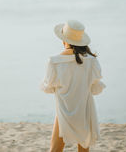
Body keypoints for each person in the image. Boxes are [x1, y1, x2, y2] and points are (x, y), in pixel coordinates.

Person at [39, 19, 106, 152]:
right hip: (84, 111)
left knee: (55, 149)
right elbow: (95, 89)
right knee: (83, 149)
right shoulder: (91, 62)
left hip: (63, 112)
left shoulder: (54, 61)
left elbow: (48, 88)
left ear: (64, 41)